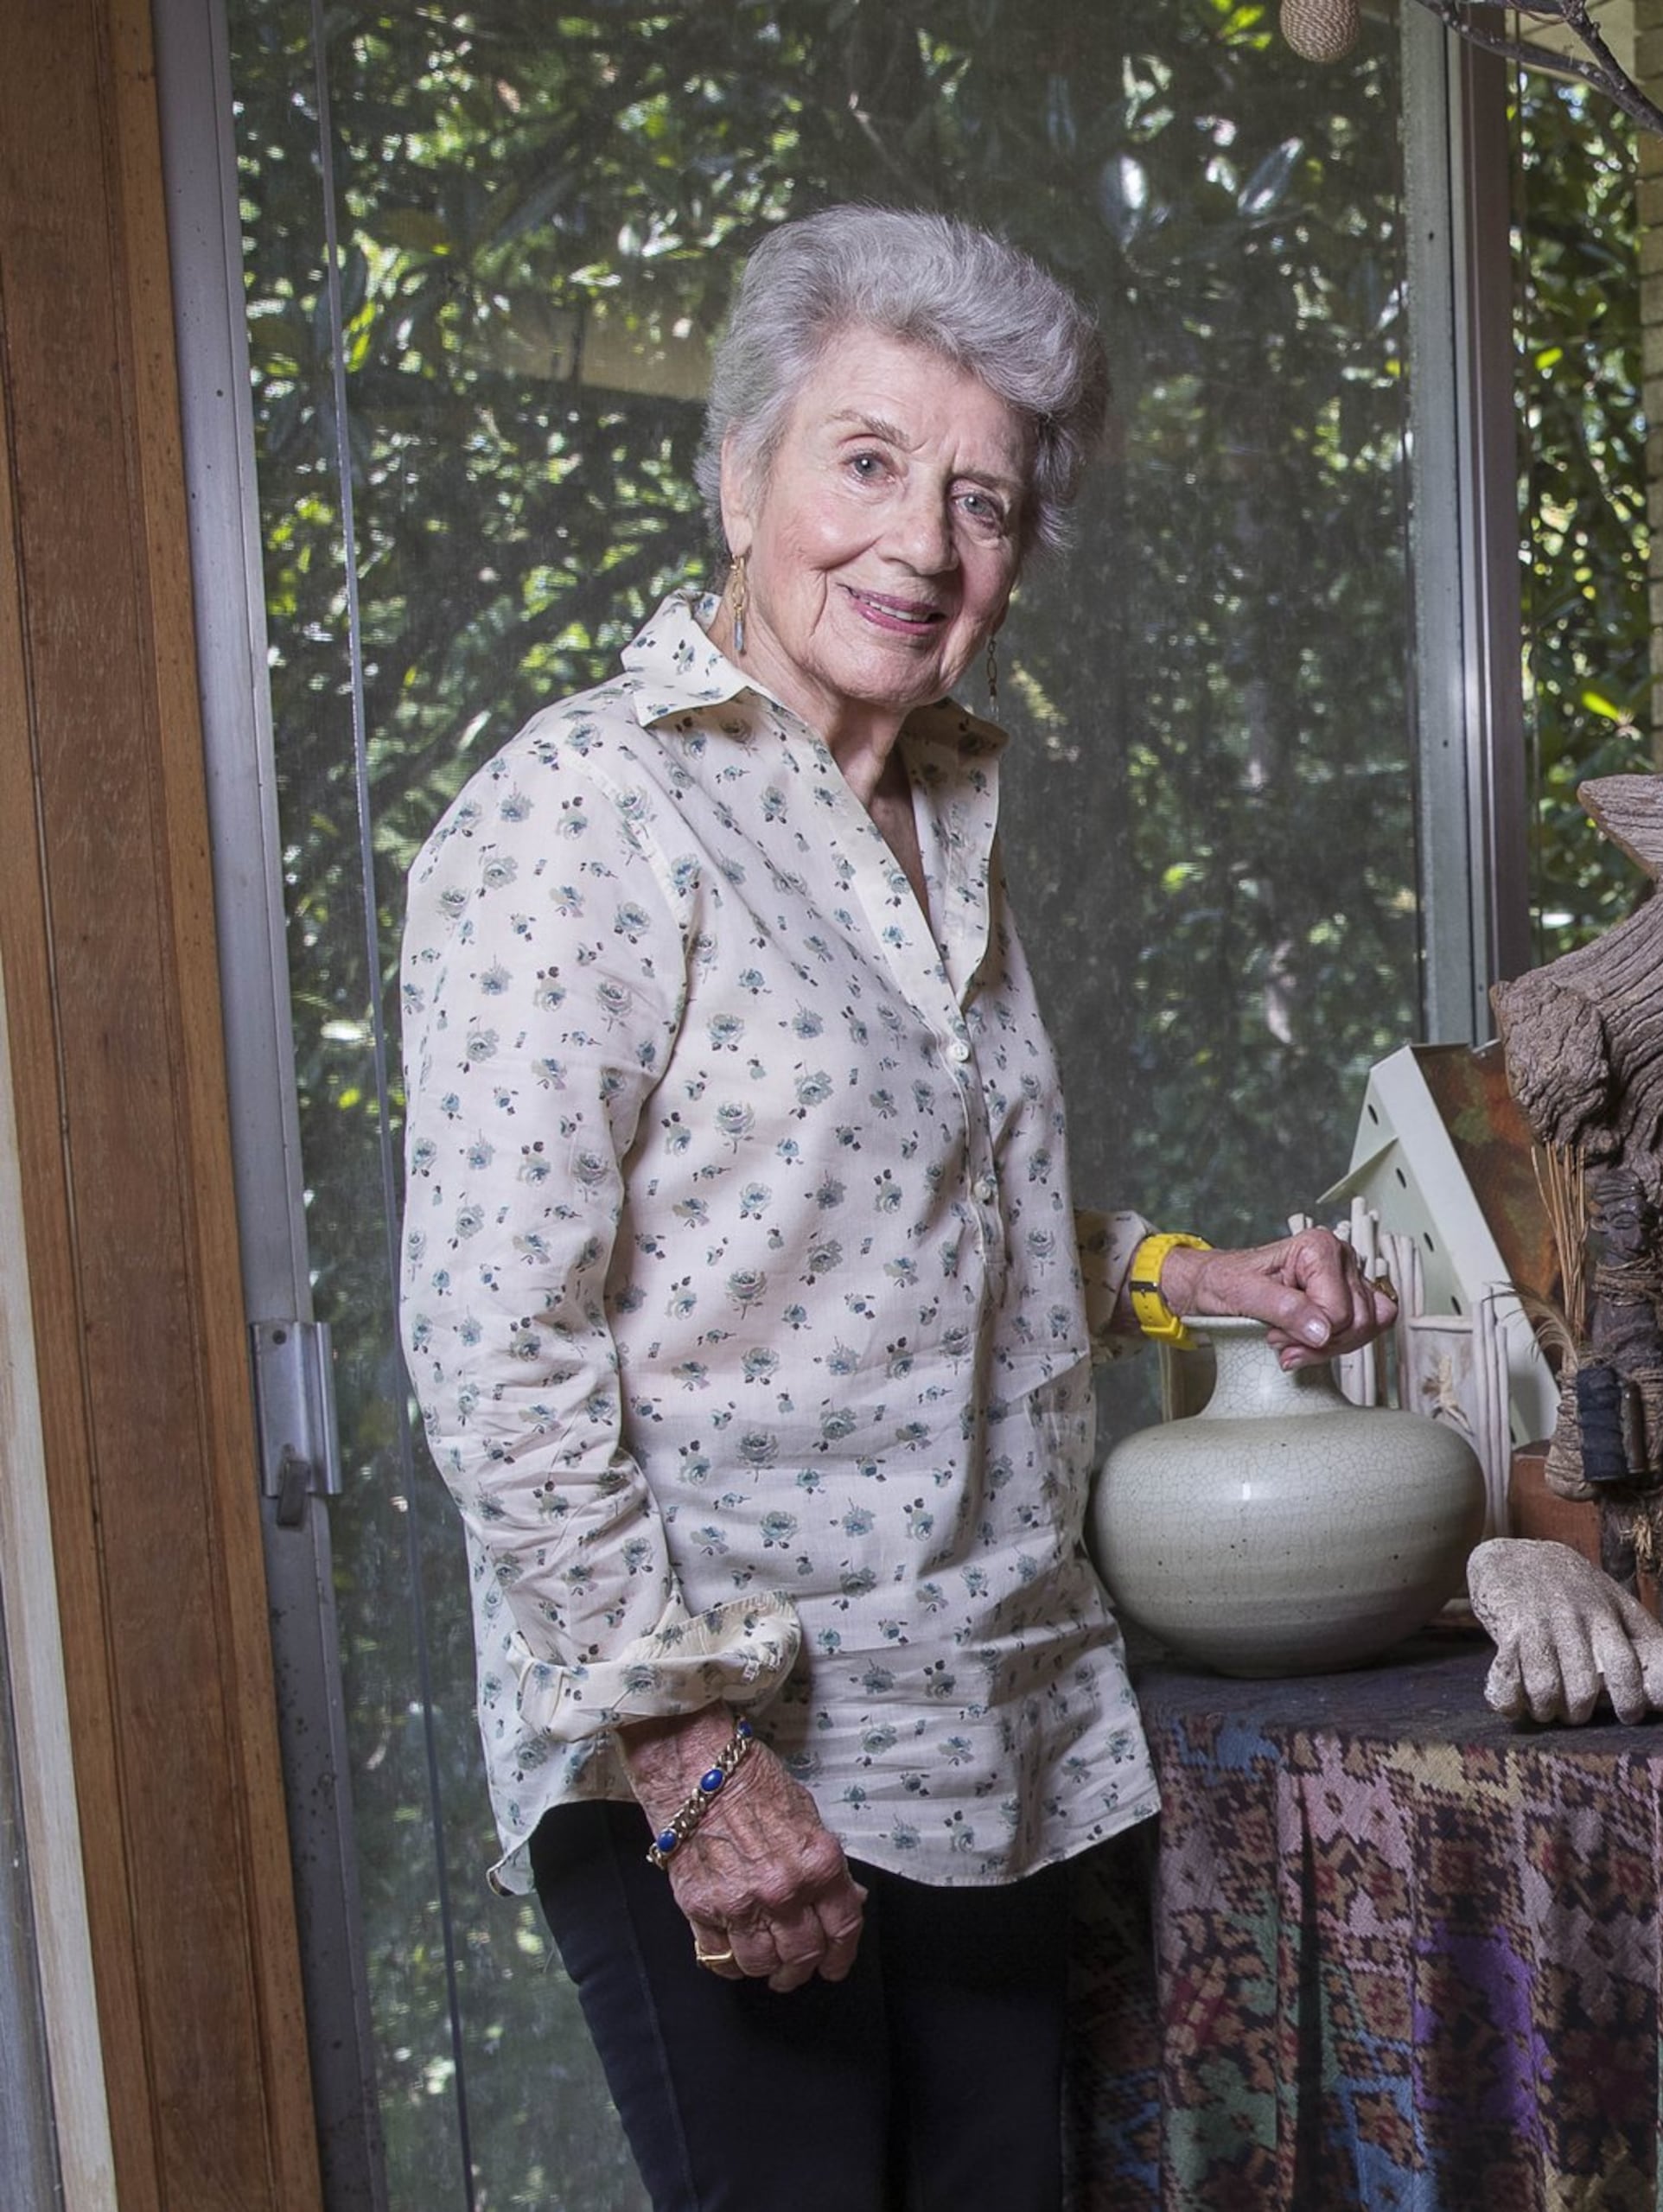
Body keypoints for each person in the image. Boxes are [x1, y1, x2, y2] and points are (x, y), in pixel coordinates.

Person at [395, 203, 1390, 2212]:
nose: (920, 544)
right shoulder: (586, 812)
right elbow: (499, 1336)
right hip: (737, 1749)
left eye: (983, 499)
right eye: (865, 461)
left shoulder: (937, 811)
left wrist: (1203, 1279)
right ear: (743, 472)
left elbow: (962, 1219)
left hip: (990, 1717)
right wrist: (687, 1765)